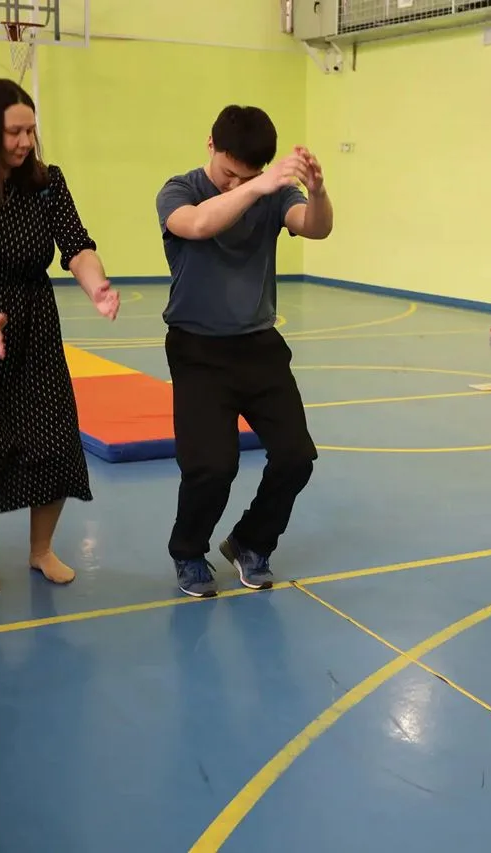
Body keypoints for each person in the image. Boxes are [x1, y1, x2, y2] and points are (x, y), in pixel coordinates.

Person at [0, 77, 118, 596]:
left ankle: (41, 550)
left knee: (53, 438)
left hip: (34, 326)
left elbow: (77, 245)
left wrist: (96, 285)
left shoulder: (46, 182)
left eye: (31, 131)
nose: (26, 142)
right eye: (14, 132)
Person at [155, 104, 334, 598]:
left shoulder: (274, 193)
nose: (235, 184)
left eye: (247, 176)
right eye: (228, 173)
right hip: (196, 349)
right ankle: (188, 551)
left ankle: (251, 542)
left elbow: (315, 227)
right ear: (210, 145)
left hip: (259, 347)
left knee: (296, 457)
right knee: (212, 466)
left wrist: (317, 192)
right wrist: (257, 186)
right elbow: (197, 225)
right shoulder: (180, 190)